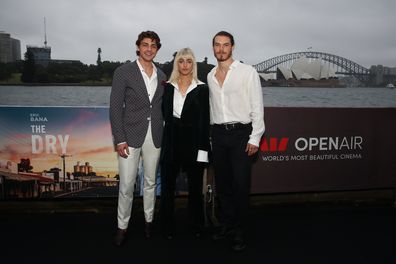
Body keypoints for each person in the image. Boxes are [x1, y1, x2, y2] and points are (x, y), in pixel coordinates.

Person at [207, 31, 265, 251]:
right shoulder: (211, 75)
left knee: (241, 185)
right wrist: (212, 138)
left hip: (242, 134)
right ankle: (227, 225)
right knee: (223, 185)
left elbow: (257, 107)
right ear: (213, 48)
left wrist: (255, 137)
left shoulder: (247, 72)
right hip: (219, 135)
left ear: (232, 47)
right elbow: (213, 108)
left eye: (225, 45)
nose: (221, 49)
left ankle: (241, 230)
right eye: (217, 45)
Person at [110, 30, 167, 246]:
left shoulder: (161, 75)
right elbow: (115, 108)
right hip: (129, 136)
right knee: (126, 185)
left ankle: (148, 222)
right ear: (138, 46)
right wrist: (119, 139)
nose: (149, 49)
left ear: (157, 48)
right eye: (145, 44)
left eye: (153, 45)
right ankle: (122, 227)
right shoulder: (123, 71)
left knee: (151, 182)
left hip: (155, 136)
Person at [159, 48, 210, 239]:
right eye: (181, 61)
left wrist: (203, 151)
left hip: (195, 141)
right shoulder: (168, 86)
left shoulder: (202, 88)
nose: (185, 65)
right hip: (171, 140)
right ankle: (166, 227)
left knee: (195, 189)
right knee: (167, 189)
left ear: (193, 64)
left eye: (189, 61)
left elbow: (205, 122)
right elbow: (165, 115)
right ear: (177, 64)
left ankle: (196, 225)